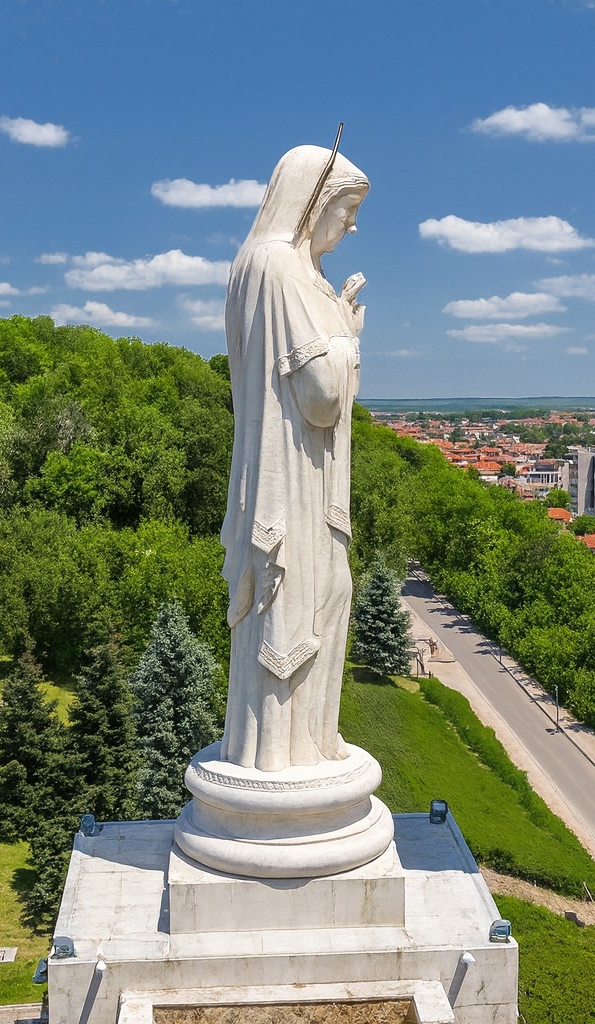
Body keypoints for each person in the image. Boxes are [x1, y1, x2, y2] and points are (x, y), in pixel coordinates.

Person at [219, 144, 368, 772]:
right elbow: (321, 395)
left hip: (287, 472)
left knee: (322, 596)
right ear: (313, 201)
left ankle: (297, 744)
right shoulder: (280, 268)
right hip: (295, 482)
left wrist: (332, 317)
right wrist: (348, 338)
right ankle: (281, 757)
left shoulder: (264, 266)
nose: (352, 224)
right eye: (347, 208)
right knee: (304, 600)